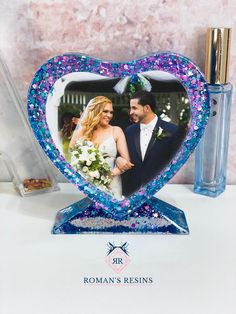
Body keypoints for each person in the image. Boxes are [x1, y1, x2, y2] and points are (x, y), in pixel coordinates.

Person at [118, 91, 186, 196]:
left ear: (147, 108)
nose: (130, 112)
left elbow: (176, 164)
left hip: (161, 193)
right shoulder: (129, 131)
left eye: (134, 108)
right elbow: (122, 155)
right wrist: (119, 159)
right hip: (131, 192)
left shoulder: (173, 131)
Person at [69, 96, 133, 200]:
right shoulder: (79, 133)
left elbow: (127, 163)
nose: (109, 115)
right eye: (105, 111)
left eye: (111, 112)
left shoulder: (116, 131)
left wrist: (109, 175)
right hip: (86, 184)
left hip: (111, 182)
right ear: (96, 111)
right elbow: (72, 162)